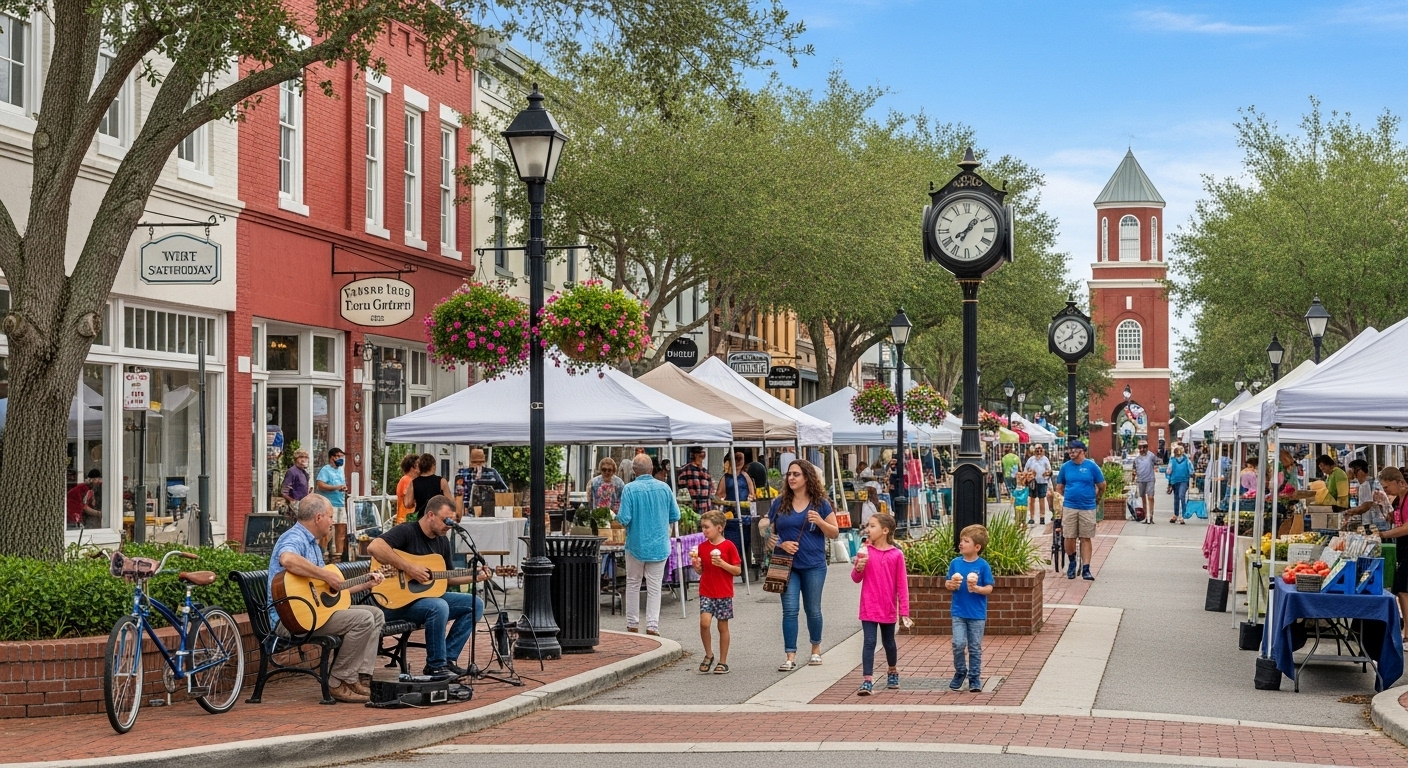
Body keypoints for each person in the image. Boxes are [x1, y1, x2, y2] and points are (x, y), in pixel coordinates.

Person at [267, 495, 385, 703]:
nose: (332, 521)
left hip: (313, 613)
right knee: (363, 619)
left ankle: (356, 678)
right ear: (318, 517)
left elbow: (330, 591)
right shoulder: (294, 538)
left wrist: (366, 583)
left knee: (375, 614)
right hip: (290, 620)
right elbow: (287, 559)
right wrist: (325, 574)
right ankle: (337, 682)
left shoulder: (313, 545)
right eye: (330, 517)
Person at [367, 495, 490, 679]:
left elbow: (446, 578)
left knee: (475, 604)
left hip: (422, 601)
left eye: (452, 522)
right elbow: (374, 547)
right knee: (438, 606)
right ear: (431, 515)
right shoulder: (407, 531)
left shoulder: (442, 541)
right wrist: (409, 567)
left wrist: (475, 577)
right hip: (394, 602)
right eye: (445, 520)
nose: (449, 525)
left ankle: (447, 658)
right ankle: (436, 666)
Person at [760, 459, 839, 672]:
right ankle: (790, 655)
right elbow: (767, 530)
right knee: (790, 610)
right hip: (785, 565)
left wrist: (820, 522)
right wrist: (779, 542)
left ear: (807, 478)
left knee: (812, 609)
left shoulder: (820, 503)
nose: (791, 478)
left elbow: (835, 532)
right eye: (789, 474)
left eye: (796, 474)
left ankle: (815, 649)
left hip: (814, 564)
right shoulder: (780, 502)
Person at [618, 453, 680, 635]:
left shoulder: (629, 489)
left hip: (636, 544)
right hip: (659, 545)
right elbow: (675, 515)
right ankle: (652, 625)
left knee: (633, 583)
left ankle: (632, 623)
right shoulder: (664, 488)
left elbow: (624, 518)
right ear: (652, 469)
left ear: (633, 471)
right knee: (654, 587)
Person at [851, 512, 910, 696]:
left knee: (889, 642)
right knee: (869, 641)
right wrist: (859, 567)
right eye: (868, 526)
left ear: (885, 530)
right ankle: (867, 680)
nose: (868, 529)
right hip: (868, 606)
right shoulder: (865, 551)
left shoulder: (896, 554)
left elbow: (902, 585)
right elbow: (855, 578)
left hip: (888, 608)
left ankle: (892, 670)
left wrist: (905, 611)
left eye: (872, 526)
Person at [690, 511, 741, 675]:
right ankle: (709, 654)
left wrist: (722, 564)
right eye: (702, 527)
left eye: (707, 527)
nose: (704, 530)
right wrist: (697, 568)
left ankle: (723, 661)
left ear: (719, 528)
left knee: (722, 626)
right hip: (706, 590)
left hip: (724, 592)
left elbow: (737, 570)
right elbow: (702, 571)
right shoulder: (702, 547)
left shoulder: (729, 546)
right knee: (704, 622)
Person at [945, 523, 994, 692]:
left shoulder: (983, 566)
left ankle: (974, 677)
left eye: (965, 541)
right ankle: (960, 671)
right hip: (958, 611)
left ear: (977, 547)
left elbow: (989, 588)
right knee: (958, 643)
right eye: (961, 540)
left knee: (974, 647)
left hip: (977, 613)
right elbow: (947, 582)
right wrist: (951, 584)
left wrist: (977, 589)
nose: (961, 544)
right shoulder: (955, 563)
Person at [1053, 439, 1105, 581]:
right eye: (1069, 449)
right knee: (1068, 536)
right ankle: (1072, 561)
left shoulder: (1092, 467)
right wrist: (1060, 503)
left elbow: (1102, 485)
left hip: (1087, 507)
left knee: (1085, 537)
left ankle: (1086, 569)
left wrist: (1097, 499)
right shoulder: (1065, 467)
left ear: (1082, 451)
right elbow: (1059, 487)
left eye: (1074, 449)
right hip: (1069, 506)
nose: (1071, 452)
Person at [1375, 467, 1408, 641]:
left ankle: (1407, 633)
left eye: (1387, 487)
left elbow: (1406, 527)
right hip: (1402, 546)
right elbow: (1394, 519)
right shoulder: (1398, 500)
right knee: (1401, 589)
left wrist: (1383, 535)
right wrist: (1383, 504)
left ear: (1400, 482)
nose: (1386, 490)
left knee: (1404, 589)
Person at [457, 448, 506, 518]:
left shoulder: (491, 473)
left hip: (489, 510)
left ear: (483, 462)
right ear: (470, 461)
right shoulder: (462, 473)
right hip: (468, 511)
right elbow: (458, 494)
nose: (478, 464)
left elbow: (503, 491)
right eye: (475, 462)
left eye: (480, 462)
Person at [403, 453, 452, 519]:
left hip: (421, 519)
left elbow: (407, 503)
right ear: (433, 465)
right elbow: (450, 502)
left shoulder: (414, 482)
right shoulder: (441, 481)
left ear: (420, 467)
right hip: (436, 518)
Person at [1345, 459, 1389, 531]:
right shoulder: (1365, 484)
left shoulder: (1368, 484)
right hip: (1373, 523)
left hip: (1377, 524)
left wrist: (1350, 512)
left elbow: (1366, 506)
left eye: (1352, 470)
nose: (1351, 473)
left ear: (1360, 470)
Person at [316, 447, 349, 523]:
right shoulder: (325, 469)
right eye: (339, 456)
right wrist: (336, 487)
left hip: (341, 504)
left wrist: (343, 488)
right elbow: (320, 485)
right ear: (333, 457)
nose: (341, 459)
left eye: (342, 457)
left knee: (341, 528)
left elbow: (341, 484)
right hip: (329, 505)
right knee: (328, 529)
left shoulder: (340, 470)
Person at [677, 447, 713, 516]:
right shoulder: (686, 470)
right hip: (692, 507)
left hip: (706, 507)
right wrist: (688, 501)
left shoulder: (705, 471)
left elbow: (710, 488)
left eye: (703, 456)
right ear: (695, 455)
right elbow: (681, 489)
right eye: (701, 455)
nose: (702, 458)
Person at [1024, 444, 1053, 526]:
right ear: (1034, 450)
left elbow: (1049, 470)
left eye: (1040, 449)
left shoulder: (1045, 459)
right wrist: (1029, 475)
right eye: (1037, 449)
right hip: (1033, 482)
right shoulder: (1031, 459)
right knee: (1032, 500)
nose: (1038, 451)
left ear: (1042, 450)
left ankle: (1042, 517)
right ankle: (1032, 517)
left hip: (1042, 481)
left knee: (1042, 499)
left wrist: (1047, 474)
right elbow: (1025, 469)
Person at [1133, 441, 1158, 523]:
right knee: (1143, 497)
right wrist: (1134, 477)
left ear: (1147, 448)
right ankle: (1146, 517)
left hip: (1150, 479)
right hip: (1141, 480)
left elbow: (1157, 461)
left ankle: (1151, 516)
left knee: (1150, 497)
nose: (1142, 449)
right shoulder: (1136, 459)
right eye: (1140, 448)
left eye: (1144, 447)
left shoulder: (1151, 455)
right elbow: (1134, 469)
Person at [1167, 444, 1193, 523]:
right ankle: (1176, 514)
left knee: (1181, 496)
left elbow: (1168, 471)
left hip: (1182, 480)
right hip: (1176, 480)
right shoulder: (1185, 460)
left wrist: (1169, 480)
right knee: (1177, 497)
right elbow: (1191, 469)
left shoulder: (1175, 460)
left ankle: (1181, 516)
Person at [394, 453, 418, 524]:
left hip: (408, 521)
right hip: (406, 521)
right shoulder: (407, 480)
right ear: (412, 468)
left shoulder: (408, 480)